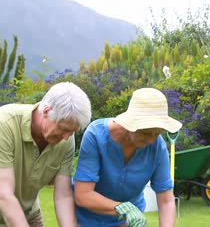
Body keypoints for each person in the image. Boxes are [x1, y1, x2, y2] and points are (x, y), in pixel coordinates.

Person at [0, 82, 92, 227]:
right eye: (63, 129)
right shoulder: (3, 124)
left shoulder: (66, 139)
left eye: (73, 131)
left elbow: (63, 196)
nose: (66, 137)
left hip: (28, 214)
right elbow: (3, 194)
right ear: (46, 112)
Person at [73, 88, 182, 227]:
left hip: (127, 223)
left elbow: (166, 200)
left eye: (157, 133)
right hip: (86, 220)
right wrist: (123, 208)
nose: (151, 141)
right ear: (130, 124)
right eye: (146, 133)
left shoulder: (157, 147)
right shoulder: (96, 136)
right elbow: (83, 195)